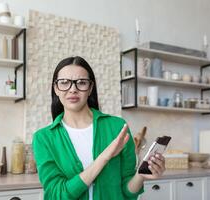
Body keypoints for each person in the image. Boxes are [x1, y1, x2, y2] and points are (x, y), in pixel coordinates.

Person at [32, 56, 166, 200]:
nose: (73, 89)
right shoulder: (43, 138)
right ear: (56, 89)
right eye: (64, 83)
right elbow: (57, 195)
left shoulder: (118, 127)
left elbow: (127, 191)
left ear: (90, 88)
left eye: (81, 83)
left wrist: (141, 176)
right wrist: (104, 157)